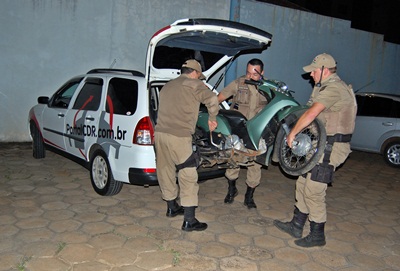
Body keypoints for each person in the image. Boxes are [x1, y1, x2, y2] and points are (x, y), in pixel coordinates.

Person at [273, 53, 357, 247]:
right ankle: (296, 225)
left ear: (324, 70)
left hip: (332, 148)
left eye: (313, 71)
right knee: (302, 183)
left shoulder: (334, 88)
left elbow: (312, 113)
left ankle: (317, 234)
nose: (310, 74)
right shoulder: (323, 87)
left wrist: (293, 133)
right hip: (319, 145)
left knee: (314, 190)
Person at [154, 59, 219, 232]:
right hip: (179, 136)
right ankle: (189, 220)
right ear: (195, 73)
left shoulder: (167, 86)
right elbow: (212, 99)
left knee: (165, 169)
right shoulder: (194, 84)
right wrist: (212, 118)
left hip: (160, 134)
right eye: (200, 76)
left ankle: (171, 207)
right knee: (188, 173)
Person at [217, 58, 268, 209]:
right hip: (238, 131)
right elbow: (220, 97)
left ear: (262, 73)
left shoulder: (267, 87)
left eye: (255, 73)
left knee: (255, 164)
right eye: (248, 72)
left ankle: (249, 195)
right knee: (233, 160)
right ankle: (232, 189)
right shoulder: (239, 84)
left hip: (257, 132)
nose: (250, 76)